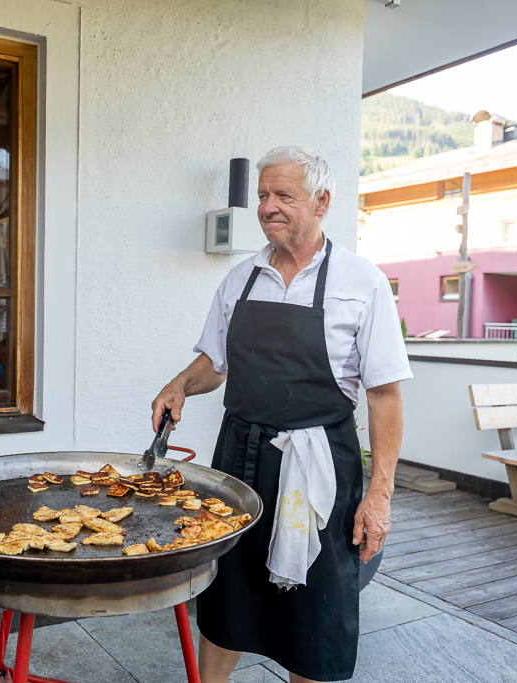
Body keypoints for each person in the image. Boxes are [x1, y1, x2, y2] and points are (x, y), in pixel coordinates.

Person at [151, 147, 411, 683]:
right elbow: (214, 364)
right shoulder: (240, 279)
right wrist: (180, 384)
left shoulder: (362, 283)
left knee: (317, 610)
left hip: (321, 464)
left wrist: (379, 494)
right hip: (238, 458)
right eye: (263, 196)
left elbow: (385, 395)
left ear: (322, 202)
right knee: (228, 595)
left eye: (282, 195)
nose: (268, 207)